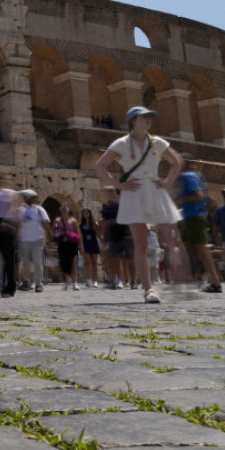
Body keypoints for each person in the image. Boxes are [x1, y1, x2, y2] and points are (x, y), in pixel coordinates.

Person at [94, 106, 183, 304]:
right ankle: (149, 289)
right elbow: (100, 165)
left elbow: (176, 161)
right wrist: (119, 185)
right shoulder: (122, 143)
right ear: (133, 120)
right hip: (133, 192)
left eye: (150, 117)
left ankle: (180, 280)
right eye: (144, 117)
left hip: (154, 189)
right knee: (141, 243)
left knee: (169, 239)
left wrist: (167, 182)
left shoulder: (157, 142)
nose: (148, 120)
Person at [174, 169, 222, 293]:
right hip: (192, 216)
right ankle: (200, 278)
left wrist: (179, 198)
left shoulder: (187, 175)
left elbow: (197, 195)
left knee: (201, 250)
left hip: (193, 216)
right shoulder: (192, 176)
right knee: (192, 249)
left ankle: (215, 282)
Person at [16, 190, 50, 292]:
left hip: (37, 239)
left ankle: (38, 283)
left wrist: (48, 235)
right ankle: (26, 282)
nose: (33, 199)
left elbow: (46, 223)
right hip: (24, 240)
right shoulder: (21, 210)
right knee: (25, 263)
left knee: (37, 262)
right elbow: (18, 224)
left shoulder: (39, 210)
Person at [53, 206, 81, 290]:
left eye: (65, 209)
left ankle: (75, 282)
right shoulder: (57, 221)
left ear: (69, 211)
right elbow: (54, 233)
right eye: (62, 209)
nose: (64, 211)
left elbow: (78, 233)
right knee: (64, 262)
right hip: (62, 242)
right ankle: (67, 280)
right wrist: (59, 234)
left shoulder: (73, 221)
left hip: (72, 242)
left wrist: (81, 245)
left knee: (73, 262)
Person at [78, 207, 101, 287]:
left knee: (94, 263)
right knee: (87, 262)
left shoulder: (94, 224)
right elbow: (79, 236)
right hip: (85, 244)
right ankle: (88, 279)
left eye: (87, 212)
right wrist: (81, 246)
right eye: (84, 212)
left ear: (90, 213)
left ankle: (95, 280)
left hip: (93, 243)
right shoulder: (80, 225)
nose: (86, 213)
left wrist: (102, 244)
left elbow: (98, 235)